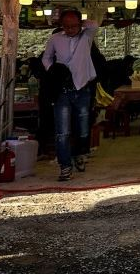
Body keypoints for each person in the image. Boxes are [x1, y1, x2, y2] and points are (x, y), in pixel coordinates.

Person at [41, 10, 97, 181]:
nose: (71, 29)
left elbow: (94, 23)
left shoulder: (87, 36)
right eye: (66, 26)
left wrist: (80, 22)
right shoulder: (55, 39)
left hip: (83, 88)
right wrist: (52, 71)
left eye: (74, 26)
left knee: (83, 128)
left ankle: (80, 154)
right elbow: (46, 58)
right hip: (62, 90)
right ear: (61, 26)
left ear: (80, 24)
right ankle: (65, 166)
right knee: (62, 132)